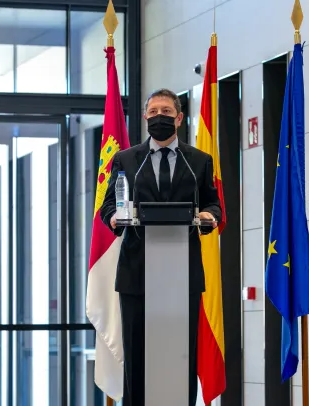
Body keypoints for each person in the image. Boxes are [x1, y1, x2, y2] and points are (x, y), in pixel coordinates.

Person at [101, 88, 222, 406]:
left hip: (181, 276)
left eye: (166, 112)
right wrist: (114, 216)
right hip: (137, 275)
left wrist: (209, 216)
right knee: (138, 360)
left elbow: (213, 204)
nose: (159, 118)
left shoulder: (199, 161)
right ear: (144, 117)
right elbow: (108, 204)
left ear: (179, 118)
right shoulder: (126, 160)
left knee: (179, 361)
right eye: (153, 112)